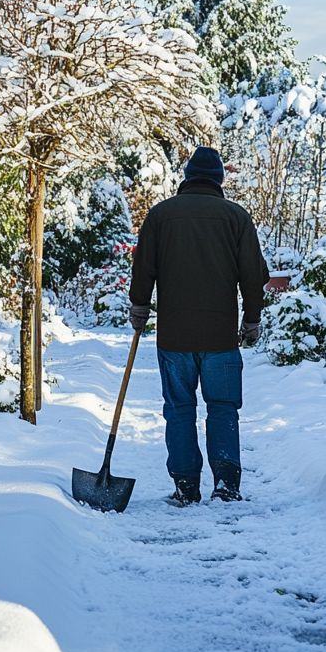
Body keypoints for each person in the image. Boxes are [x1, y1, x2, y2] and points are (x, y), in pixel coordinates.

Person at [128, 146, 270, 505]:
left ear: (187, 176)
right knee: (222, 407)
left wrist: (139, 306)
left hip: (174, 336)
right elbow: (254, 276)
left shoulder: (161, 216)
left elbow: (143, 266)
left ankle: (186, 485)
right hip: (221, 336)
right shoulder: (236, 218)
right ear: (219, 179)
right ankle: (226, 484)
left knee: (179, 408)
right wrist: (251, 320)